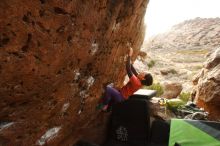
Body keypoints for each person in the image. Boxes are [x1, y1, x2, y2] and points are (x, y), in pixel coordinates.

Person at [100, 47, 153, 111]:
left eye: (143, 73)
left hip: (120, 96)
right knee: (112, 87)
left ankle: (105, 105)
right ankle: (109, 107)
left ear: (143, 78)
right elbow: (134, 71)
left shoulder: (137, 82)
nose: (142, 72)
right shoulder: (140, 81)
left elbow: (128, 70)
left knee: (108, 89)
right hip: (121, 95)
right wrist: (130, 62)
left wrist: (129, 55)